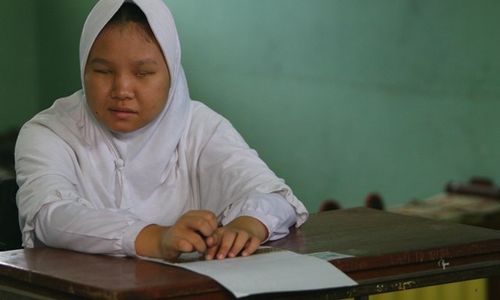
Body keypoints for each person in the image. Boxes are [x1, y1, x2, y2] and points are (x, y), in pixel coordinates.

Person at [15, 0, 308, 261]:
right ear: (84, 69)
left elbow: (273, 196)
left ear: (172, 71)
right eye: (103, 71)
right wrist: (155, 238)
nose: (122, 90)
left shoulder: (200, 127)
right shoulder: (50, 132)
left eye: (142, 73)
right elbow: (49, 215)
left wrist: (246, 225)